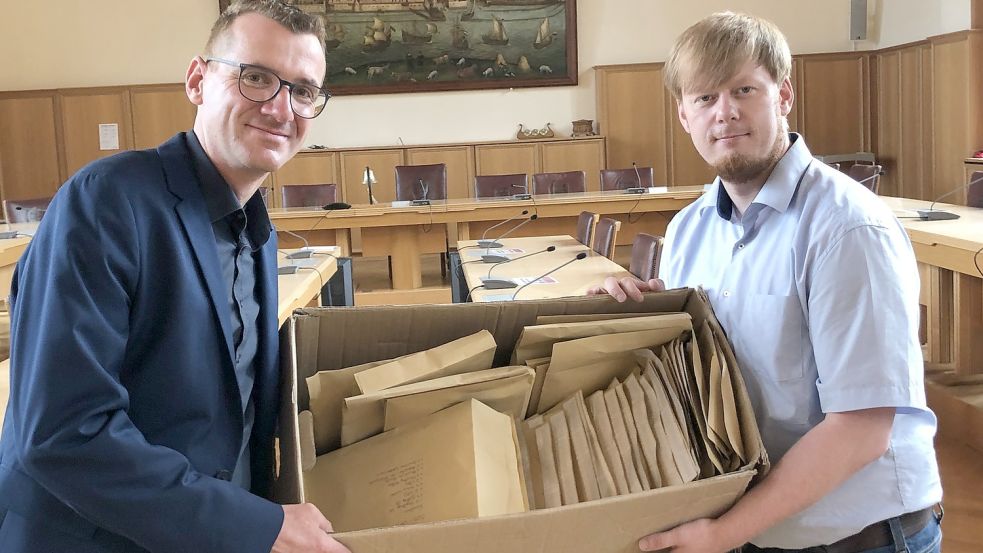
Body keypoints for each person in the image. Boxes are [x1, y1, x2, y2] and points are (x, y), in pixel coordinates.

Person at [0, 2, 349, 552]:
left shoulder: (257, 233)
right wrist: (253, 527)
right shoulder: (106, 203)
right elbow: (64, 434)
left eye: (303, 90)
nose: (282, 108)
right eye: (256, 78)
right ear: (197, 81)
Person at [589, 12, 942, 553]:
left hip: (860, 536)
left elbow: (863, 427)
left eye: (744, 90)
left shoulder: (846, 227)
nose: (724, 112)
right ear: (684, 115)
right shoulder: (689, 228)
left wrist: (725, 533)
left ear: (784, 96)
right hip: (756, 525)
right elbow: (712, 348)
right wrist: (630, 315)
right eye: (704, 98)